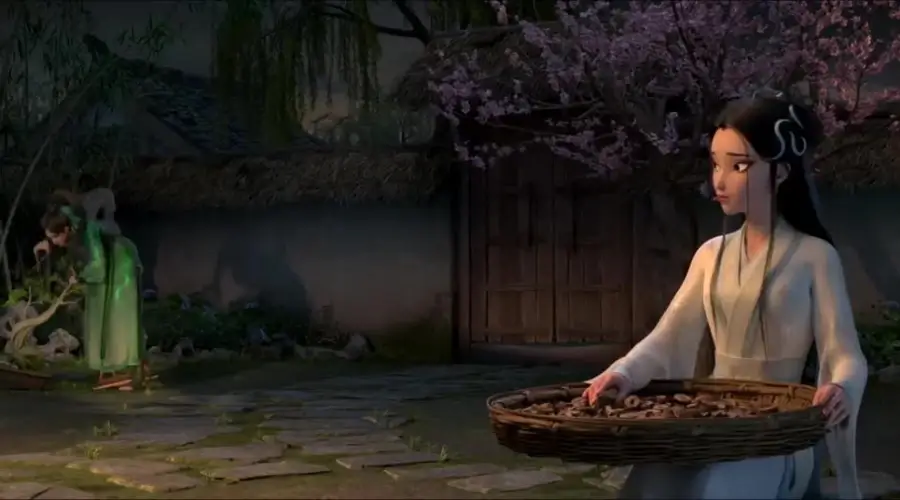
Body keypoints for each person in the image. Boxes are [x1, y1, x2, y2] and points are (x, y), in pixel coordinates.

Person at [583, 95, 867, 499]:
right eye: (716, 164)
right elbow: (668, 337)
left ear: (781, 172)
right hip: (710, 415)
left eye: (739, 166)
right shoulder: (711, 254)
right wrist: (624, 373)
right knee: (651, 481)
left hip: (778, 427)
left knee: (718, 490)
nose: (720, 180)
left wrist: (841, 386)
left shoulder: (815, 256)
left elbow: (845, 353)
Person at [33, 190, 149, 391]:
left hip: (120, 266)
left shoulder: (88, 231)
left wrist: (80, 276)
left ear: (66, 229)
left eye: (55, 237)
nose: (55, 242)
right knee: (99, 312)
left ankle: (127, 369)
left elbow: (98, 267)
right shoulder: (76, 230)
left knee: (119, 316)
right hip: (111, 265)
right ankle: (113, 368)